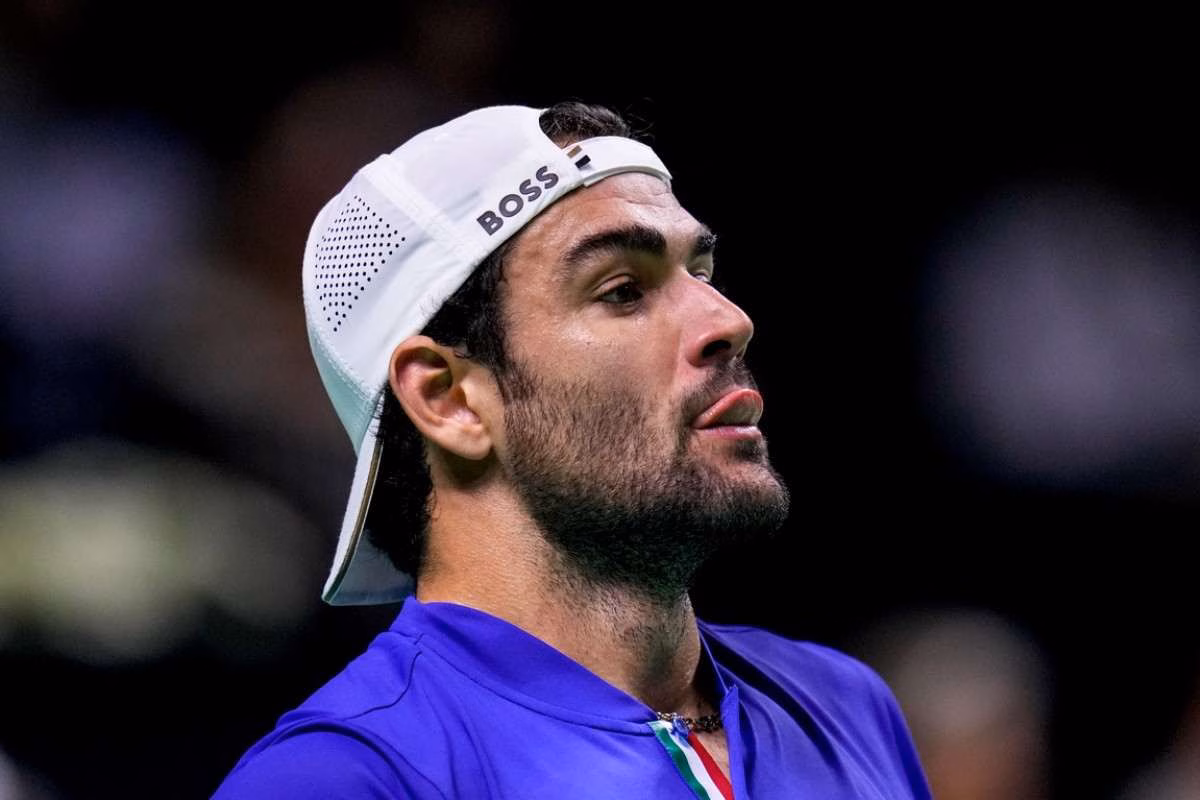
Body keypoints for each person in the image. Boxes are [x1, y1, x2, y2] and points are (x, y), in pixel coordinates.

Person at [213, 101, 932, 799]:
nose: (729, 320)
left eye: (701, 273)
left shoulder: (845, 706)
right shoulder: (341, 779)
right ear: (449, 399)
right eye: (622, 290)